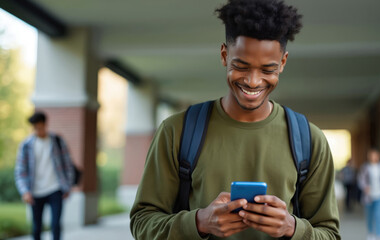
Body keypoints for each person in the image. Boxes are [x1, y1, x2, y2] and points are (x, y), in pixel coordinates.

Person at [129, 0, 340, 239]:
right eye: (241, 66)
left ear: (282, 62)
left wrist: (292, 228)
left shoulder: (310, 141)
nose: (253, 81)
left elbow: (330, 234)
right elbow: (142, 222)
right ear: (224, 55)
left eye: (267, 70)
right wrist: (199, 222)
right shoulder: (176, 131)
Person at [15, 112, 74, 240]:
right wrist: (25, 191)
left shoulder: (57, 141)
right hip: (35, 192)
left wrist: (67, 186)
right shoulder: (26, 146)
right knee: (37, 227)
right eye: (35, 128)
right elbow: (20, 171)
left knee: (55, 225)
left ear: (46, 125)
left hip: (55, 189)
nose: (38, 130)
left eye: (40, 127)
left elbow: (68, 165)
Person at [358, 148, 380, 240]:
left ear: (378, 156)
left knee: (378, 215)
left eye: (374, 155)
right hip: (368, 196)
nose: (372, 157)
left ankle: (379, 235)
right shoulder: (365, 167)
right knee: (369, 217)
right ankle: (370, 234)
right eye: (370, 155)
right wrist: (365, 187)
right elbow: (361, 179)